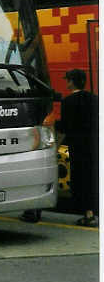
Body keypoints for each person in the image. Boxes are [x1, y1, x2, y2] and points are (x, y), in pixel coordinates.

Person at [57, 69, 99, 227]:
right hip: (94, 144)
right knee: (92, 178)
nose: (66, 82)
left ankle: (87, 215)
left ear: (72, 81)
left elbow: (66, 126)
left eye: (68, 80)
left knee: (80, 179)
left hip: (77, 146)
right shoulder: (94, 99)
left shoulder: (67, 102)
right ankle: (92, 213)